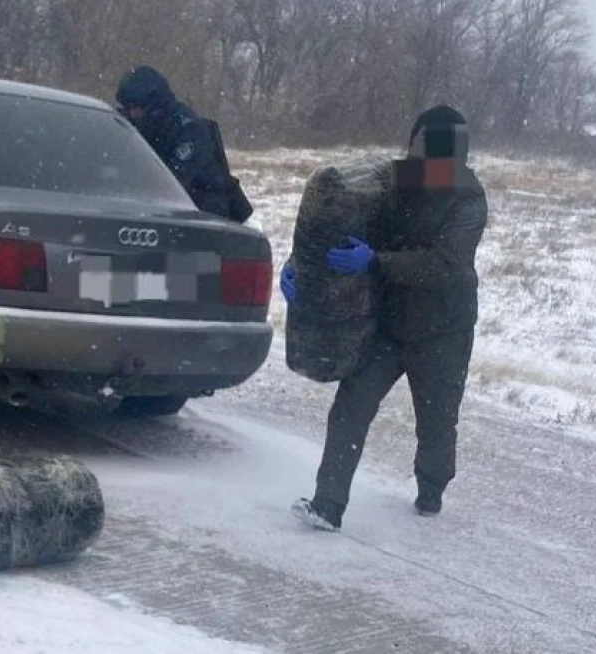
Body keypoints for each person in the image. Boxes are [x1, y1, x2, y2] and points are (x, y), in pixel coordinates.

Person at [280, 105, 488, 531]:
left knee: (436, 421)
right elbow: (339, 221)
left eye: (432, 150)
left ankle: (430, 491)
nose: (421, 158)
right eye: (417, 146)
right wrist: (299, 266)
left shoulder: (468, 197)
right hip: (389, 323)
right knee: (350, 409)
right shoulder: (394, 182)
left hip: (443, 330)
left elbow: (444, 264)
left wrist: (376, 261)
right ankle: (328, 504)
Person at [116, 65, 250, 222]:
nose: (133, 114)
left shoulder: (188, 131)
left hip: (205, 217)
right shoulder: (141, 127)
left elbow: (172, 183)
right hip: (168, 215)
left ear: (151, 104)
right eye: (128, 108)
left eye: (135, 108)